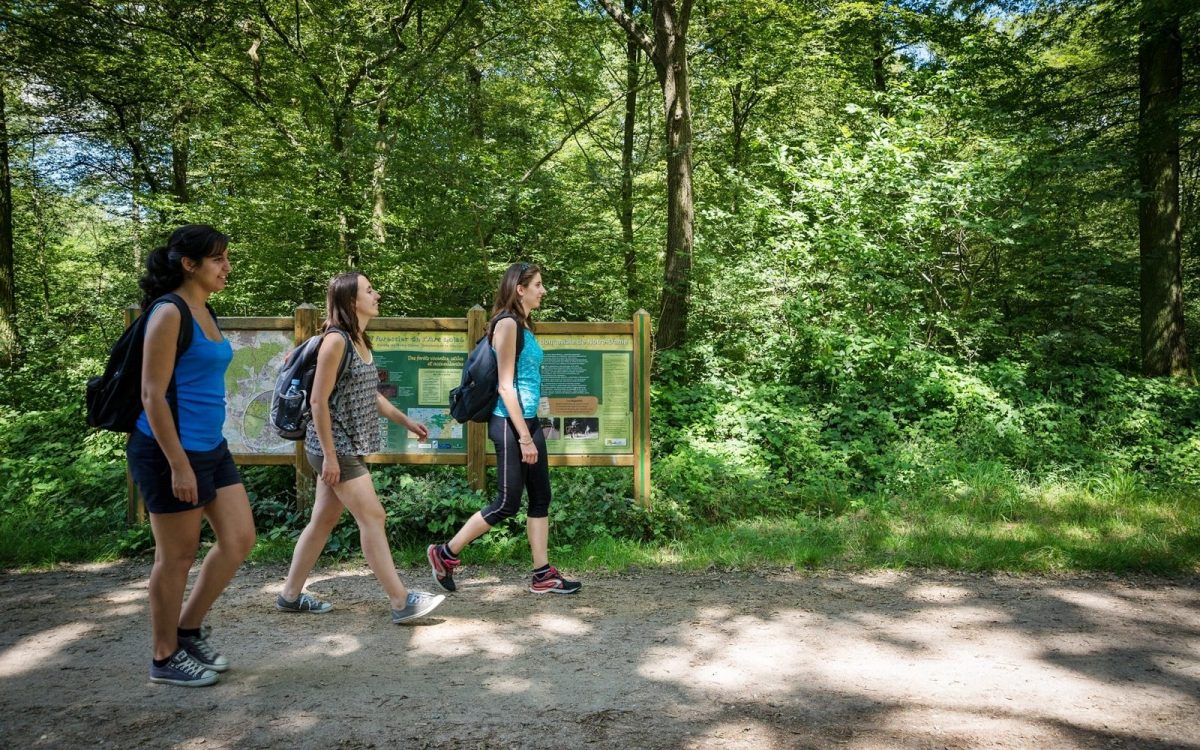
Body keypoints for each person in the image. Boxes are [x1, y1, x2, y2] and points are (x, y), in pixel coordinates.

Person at [277, 271, 445, 624]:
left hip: (344, 445)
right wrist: (331, 457)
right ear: (351, 300)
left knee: (322, 520)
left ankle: (290, 596)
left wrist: (406, 422)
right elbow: (318, 402)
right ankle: (402, 602)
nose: (376, 294)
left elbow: (370, 395)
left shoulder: (360, 341)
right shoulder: (335, 341)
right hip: (333, 446)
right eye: (369, 290)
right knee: (373, 516)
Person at [128, 224, 256, 687]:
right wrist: (179, 463)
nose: (227, 266)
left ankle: (187, 629)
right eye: (218, 258)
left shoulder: (206, 308)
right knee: (177, 556)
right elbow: (151, 395)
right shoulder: (168, 313)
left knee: (239, 538)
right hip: (168, 452)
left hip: (210, 447)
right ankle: (164, 657)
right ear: (189, 264)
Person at [427, 263, 582, 595]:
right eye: (538, 285)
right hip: (509, 423)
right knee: (506, 503)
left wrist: (530, 428)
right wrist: (524, 437)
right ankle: (445, 553)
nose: (544, 290)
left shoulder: (524, 324)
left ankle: (542, 575)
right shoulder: (508, 324)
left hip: (526, 421)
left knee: (541, 497)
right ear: (520, 289)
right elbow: (505, 386)